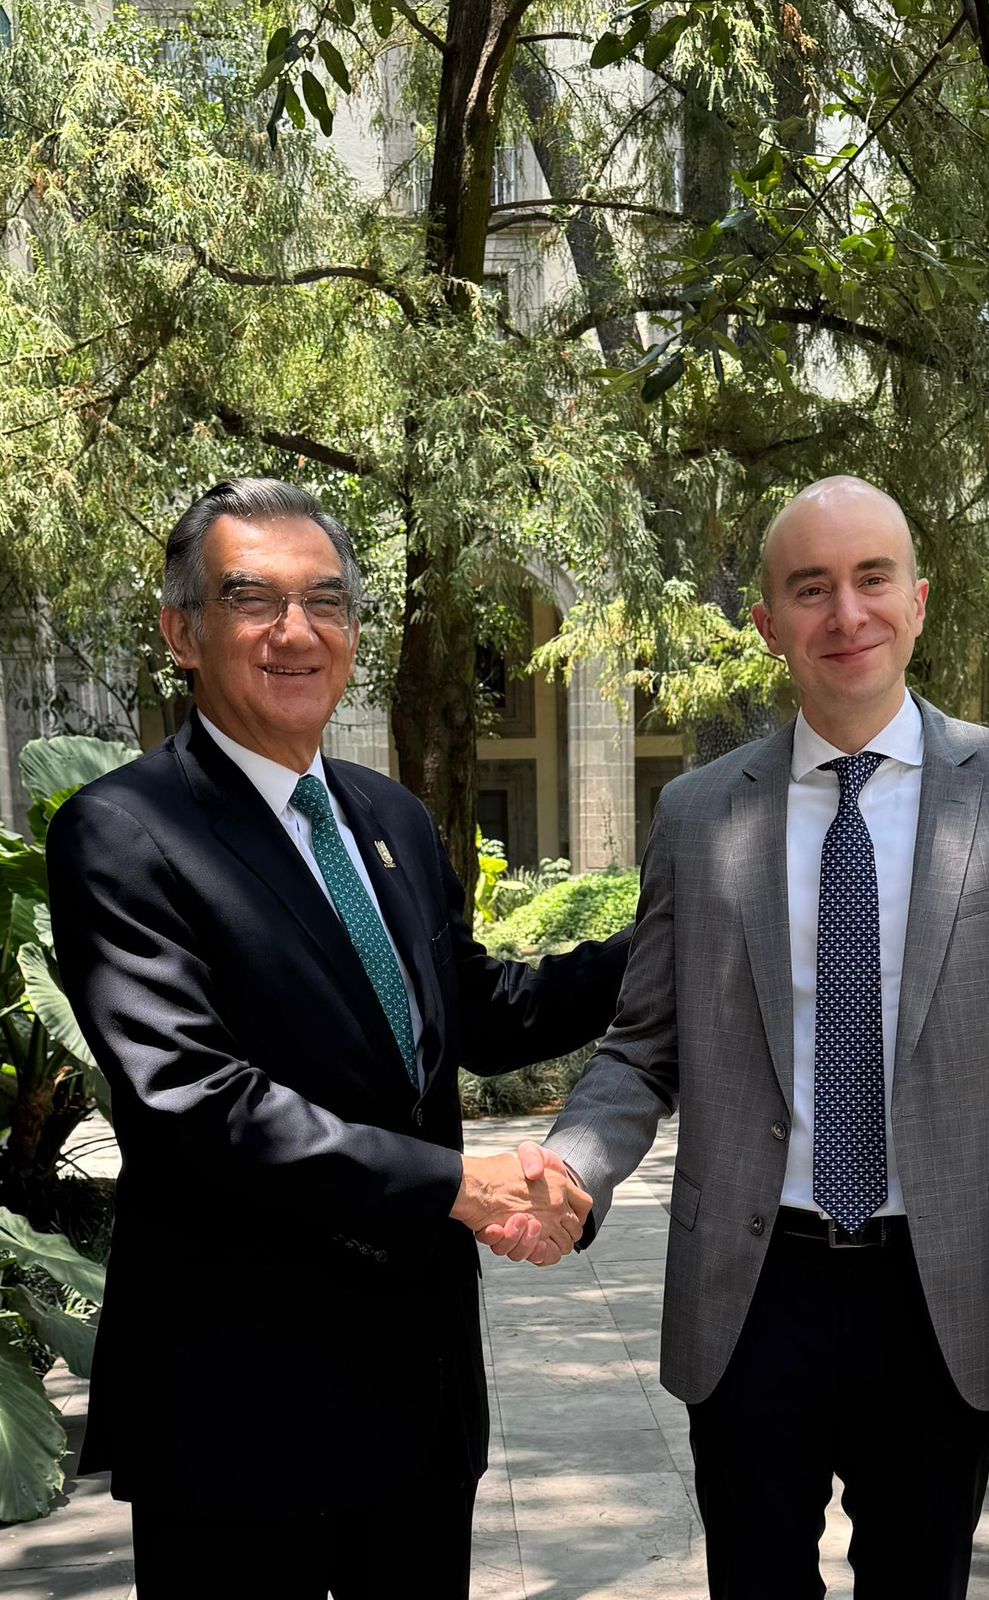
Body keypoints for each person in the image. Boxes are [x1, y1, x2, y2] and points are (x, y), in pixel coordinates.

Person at [486, 475, 989, 1599]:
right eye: (811, 588)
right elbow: (643, 1044)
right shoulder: (698, 813)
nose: (847, 613)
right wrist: (573, 1171)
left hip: (946, 1292)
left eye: (872, 579)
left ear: (918, 602)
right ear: (767, 623)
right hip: (752, 1291)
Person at [46, 477, 627, 1600]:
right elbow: (199, 1099)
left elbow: (477, 1011)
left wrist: (668, 944)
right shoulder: (122, 832)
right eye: (252, 599)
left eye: (326, 601)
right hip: (241, 1414)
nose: (296, 630)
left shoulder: (386, 815)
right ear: (183, 633)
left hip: (420, 1401)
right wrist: (456, 1183)